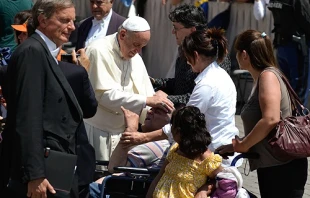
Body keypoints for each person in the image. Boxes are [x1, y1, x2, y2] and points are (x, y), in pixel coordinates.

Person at [121, 28, 239, 168]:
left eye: (187, 58)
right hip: (221, 147)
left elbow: (184, 124)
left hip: (212, 154)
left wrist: (143, 137)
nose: (187, 63)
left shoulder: (207, 84)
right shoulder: (221, 76)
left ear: (195, 55)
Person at [4, 0, 83, 197]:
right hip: (41, 171)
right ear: (43, 20)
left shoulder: (44, 51)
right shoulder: (32, 51)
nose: (72, 27)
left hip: (56, 163)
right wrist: (35, 174)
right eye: (64, 20)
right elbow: (28, 116)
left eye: (73, 21)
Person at [217, 30, 308, 197]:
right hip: (273, 165)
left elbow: (270, 119)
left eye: (237, 53)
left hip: (283, 168)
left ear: (244, 54)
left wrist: (244, 145)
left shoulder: (268, 76)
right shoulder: (262, 78)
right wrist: (238, 145)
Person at [85, 16, 174, 161]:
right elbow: (104, 96)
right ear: (122, 35)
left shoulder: (135, 57)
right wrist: (148, 100)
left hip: (124, 133)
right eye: (136, 44)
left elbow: (147, 92)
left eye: (142, 47)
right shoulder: (98, 50)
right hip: (99, 133)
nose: (138, 51)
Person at [151, 4, 231, 108]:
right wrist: (154, 82)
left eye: (176, 28)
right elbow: (180, 83)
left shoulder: (214, 54)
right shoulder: (184, 49)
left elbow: (201, 95)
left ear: (192, 30)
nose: (173, 32)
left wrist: (166, 98)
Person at [89, 106, 171, 198]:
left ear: (170, 124)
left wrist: (130, 129)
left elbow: (115, 167)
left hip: (116, 192)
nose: (149, 112)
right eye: (151, 109)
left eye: (158, 111)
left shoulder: (158, 145)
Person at [146, 106, 223, 198]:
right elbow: (159, 177)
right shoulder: (175, 149)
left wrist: (205, 189)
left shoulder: (206, 158)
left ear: (178, 132)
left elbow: (222, 180)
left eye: (172, 126)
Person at [253, 0, 310, 107]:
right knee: (299, 88)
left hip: (282, 46)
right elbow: (306, 20)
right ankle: (296, 120)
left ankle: (285, 119)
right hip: (297, 48)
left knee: (285, 87)